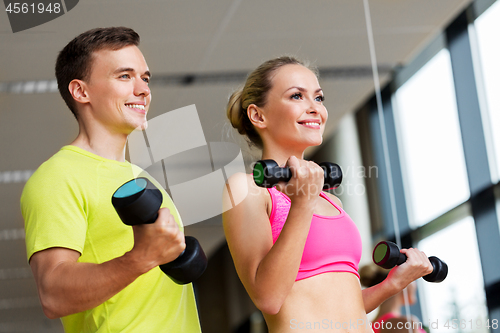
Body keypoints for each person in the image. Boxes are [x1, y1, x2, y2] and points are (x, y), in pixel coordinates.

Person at [222, 56, 433, 333]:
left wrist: (391, 285)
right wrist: (302, 204)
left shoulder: (331, 201)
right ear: (258, 115)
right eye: (297, 96)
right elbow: (269, 298)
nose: (315, 108)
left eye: (319, 98)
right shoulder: (247, 189)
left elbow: (339, 307)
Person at [20, 27, 202, 333]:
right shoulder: (57, 177)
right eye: (125, 76)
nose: (143, 90)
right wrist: (138, 259)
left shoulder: (141, 178)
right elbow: (52, 294)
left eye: (145, 78)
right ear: (81, 91)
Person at [359, 265, 427, 333]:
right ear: (400, 283)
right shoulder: (403, 325)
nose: (414, 283)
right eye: (410, 277)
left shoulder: (370, 325)